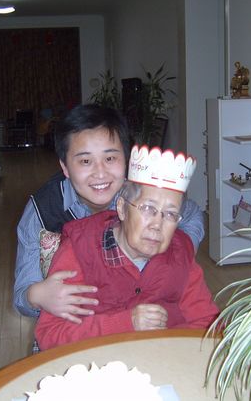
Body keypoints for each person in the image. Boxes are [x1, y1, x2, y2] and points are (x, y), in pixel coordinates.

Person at [13, 104, 205, 323]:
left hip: (140, 316)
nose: (100, 173)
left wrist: (177, 259)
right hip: (78, 325)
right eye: (85, 161)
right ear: (65, 167)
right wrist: (37, 296)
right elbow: (21, 298)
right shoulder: (42, 210)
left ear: (126, 160)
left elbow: (192, 215)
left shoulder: (141, 195)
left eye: (110, 158)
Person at [35, 145, 219, 350]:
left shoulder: (180, 253)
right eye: (148, 208)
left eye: (170, 214)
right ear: (122, 208)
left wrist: (167, 345)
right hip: (97, 364)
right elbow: (50, 335)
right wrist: (126, 323)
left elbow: (208, 325)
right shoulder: (80, 250)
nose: (157, 225)